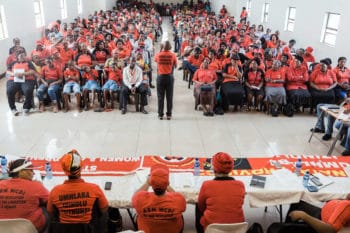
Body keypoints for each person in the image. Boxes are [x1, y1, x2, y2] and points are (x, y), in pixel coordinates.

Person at [47, 149, 109, 233]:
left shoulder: (55, 191)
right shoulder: (94, 189)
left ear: (65, 171)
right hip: (88, 230)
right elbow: (104, 209)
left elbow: (50, 213)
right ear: (80, 169)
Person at [196, 152, 246, 233]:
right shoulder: (240, 185)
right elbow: (240, 203)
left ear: (214, 168)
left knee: (197, 206)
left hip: (212, 228)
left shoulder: (207, 185)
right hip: (237, 228)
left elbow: (201, 206)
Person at [132, 164, 186, 233]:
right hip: (173, 230)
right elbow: (177, 198)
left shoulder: (140, 198)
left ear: (151, 182)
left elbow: (134, 199)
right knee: (180, 214)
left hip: (147, 230)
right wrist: (165, 184)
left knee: (136, 211)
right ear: (168, 182)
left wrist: (147, 183)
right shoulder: (178, 200)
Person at [0, 159, 49, 233]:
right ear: (21, 172)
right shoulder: (36, 186)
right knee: (47, 209)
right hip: (28, 229)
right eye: (31, 170)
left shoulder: (1, 184)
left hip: (2, 228)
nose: (33, 173)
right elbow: (51, 201)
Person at [267, 198, 350, 233]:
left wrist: (304, 216)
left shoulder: (347, 207)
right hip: (326, 214)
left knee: (275, 228)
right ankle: (289, 225)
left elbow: (330, 230)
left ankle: (286, 228)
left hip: (322, 224)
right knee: (297, 202)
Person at [6, 50, 37, 116]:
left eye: (23, 55)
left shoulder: (28, 62)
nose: (22, 57)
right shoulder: (13, 63)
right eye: (21, 55)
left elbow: (33, 71)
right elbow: (8, 71)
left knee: (28, 90)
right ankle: (13, 108)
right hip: (14, 79)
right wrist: (14, 74)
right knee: (9, 91)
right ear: (17, 57)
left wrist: (24, 73)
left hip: (27, 79)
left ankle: (26, 107)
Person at [154, 40, 177, 120]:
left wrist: (161, 50)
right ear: (170, 47)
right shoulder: (173, 55)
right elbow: (175, 65)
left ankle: (160, 114)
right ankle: (169, 114)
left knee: (160, 97)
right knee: (169, 97)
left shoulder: (158, 54)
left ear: (162, 46)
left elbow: (155, 60)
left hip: (160, 77)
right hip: (169, 77)